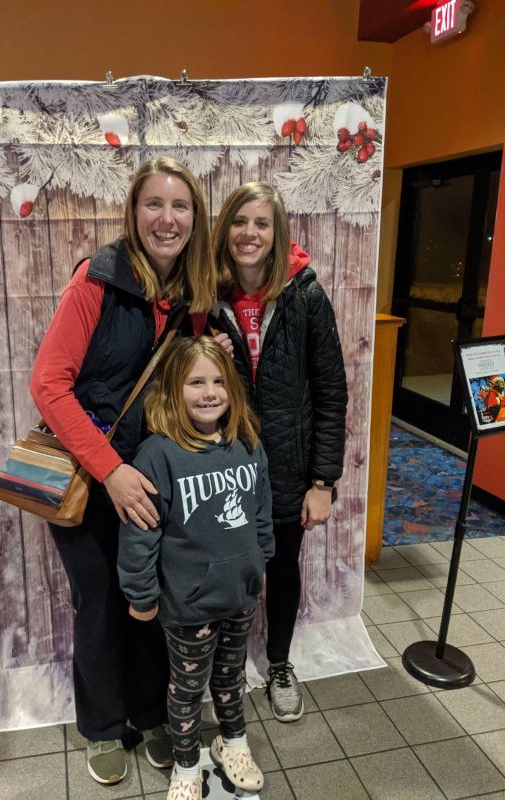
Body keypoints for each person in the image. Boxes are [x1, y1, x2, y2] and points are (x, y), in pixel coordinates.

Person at [30, 158, 228, 785]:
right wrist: (111, 470)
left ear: (195, 219)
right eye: (155, 205)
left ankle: (150, 714)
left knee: (150, 604)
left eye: (180, 207)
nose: (167, 219)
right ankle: (103, 726)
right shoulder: (97, 279)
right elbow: (49, 386)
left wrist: (210, 352)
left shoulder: (194, 296)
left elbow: (181, 383)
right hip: (95, 483)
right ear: (133, 212)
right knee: (101, 606)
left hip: (155, 483)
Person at [211, 182, 348, 723]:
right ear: (226, 230)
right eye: (240, 222)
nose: (250, 234)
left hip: (290, 467)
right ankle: (222, 667)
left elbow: (331, 391)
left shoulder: (306, 295)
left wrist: (323, 481)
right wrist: (206, 348)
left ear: (277, 232)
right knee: (226, 567)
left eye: (261, 224)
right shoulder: (205, 296)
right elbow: (183, 376)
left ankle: (281, 664)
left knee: (281, 568)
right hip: (227, 465)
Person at [118, 336, 274, 800]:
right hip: (188, 604)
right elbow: (140, 534)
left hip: (241, 593)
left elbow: (260, 512)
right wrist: (141, 594)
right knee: (187, 689)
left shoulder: (248, 444)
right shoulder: (156, 455)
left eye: (218, 380)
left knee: (232, 676)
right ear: (171, 391)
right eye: (195, 382)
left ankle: (234, 743)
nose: (209, 392)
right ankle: (187, 767)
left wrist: (261, 563)